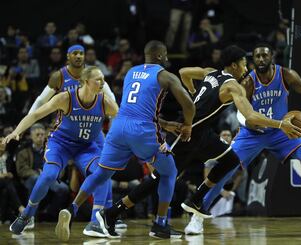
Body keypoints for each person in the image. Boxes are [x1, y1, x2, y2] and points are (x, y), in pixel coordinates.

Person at [95, 45, 301, 234]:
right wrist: (281, 124)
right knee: (159, 179)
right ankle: (113, 213)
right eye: (244, 64)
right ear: (234, 65)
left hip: (203, 135)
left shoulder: (210, 72)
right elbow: (251, 116)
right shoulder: (233, 87)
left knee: (230, 159)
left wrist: (194, 93)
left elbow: (184, 73)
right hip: (186, 134)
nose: (247, 69)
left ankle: (195, 199)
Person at [184, 43, 301, 235]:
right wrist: (254, 123)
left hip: (281, 132)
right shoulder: (247, 82)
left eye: (264, 55)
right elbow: (241, 113)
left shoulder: (286, 75)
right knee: (224, 171)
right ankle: (197, 216)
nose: (260, 59)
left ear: (272, 57)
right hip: (252, 134)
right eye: (257, 56)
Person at [55, 40, 195, 241]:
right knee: (169, 172)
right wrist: (187, 125)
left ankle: (72, 208)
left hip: (118, 126)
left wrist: (165, 124)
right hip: (142, 131)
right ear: (159, 56)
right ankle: (160, 223)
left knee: (102, 173)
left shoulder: (131, 72)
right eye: (165, 55)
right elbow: (189, 105)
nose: (166, 59)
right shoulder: (166, 75)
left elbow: (136, 107)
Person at [2, 67, 119, 237]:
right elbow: (35, 115)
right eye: (98, 79)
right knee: (49, 175)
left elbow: (124, 120)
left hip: (86, 146)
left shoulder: (106, 102)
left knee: (103, 173)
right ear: (86, 81)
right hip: (61, 144)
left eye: (103, 79)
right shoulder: (66, 98)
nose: (103, 83)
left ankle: (95, 222)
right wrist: (16, 131)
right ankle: (27, 214)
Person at [27, 44, 121, 235]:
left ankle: (106, 217)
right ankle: (29, 215)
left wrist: (115, 129)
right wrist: (29, 120)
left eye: (81, 53)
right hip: (66, 132)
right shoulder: (59, 76)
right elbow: (40, 101)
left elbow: (111, 100)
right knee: (51, 174)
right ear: (68, 56)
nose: (79, 56)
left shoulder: (94, 76)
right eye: (75, 53)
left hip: (91, 132)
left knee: (105, 170)